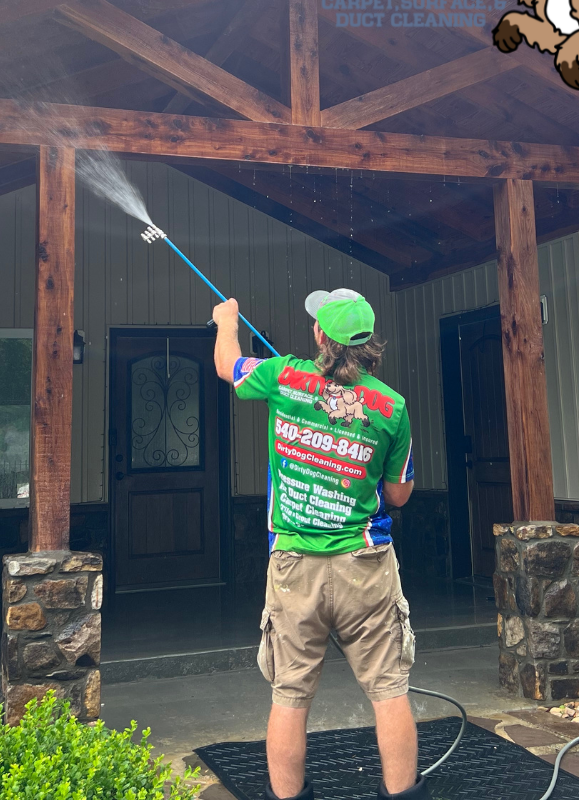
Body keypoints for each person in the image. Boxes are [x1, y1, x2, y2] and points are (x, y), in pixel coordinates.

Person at [212, 288, 429, 800]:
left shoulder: (283, 376)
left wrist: (227, 320)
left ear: (319, 335)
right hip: (366, 564)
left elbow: (227, 366)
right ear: (370, 343)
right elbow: (398, 494)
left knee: (289, 696)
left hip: (294, 567)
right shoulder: (392, 408)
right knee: (389, 691)